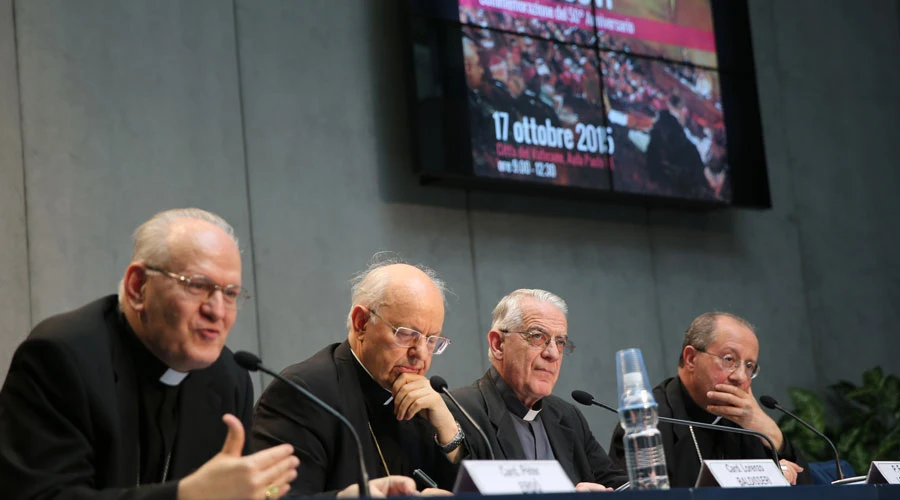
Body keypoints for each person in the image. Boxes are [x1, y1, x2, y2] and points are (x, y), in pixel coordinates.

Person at [0, 208, 300, 500]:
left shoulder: (228, 378)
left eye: (231, 293)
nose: (217, 311)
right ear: (137, 287)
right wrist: (183, 496)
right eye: (197, 286)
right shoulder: (61, 358)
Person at [251, 257, 466, 495]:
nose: (421, 354)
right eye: (406, 335)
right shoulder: (304, 393)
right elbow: (275, 496)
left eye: (432, 339)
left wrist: (448, 431)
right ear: (361, 323)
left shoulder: (428, 404)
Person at [448, 289, 628, 491]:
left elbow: (616, 485)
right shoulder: (461, 410)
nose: (552, 354)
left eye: (560, 342)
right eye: (537, 336)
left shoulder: (568, 417)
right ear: (498, 344)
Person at [608, 312, 813, 487]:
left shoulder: (746, 419)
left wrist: (772, 434)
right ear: (690, 359)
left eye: (749, 366)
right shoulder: (650, 423)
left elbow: (810, 490)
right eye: (729, 359)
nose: (740, 376)